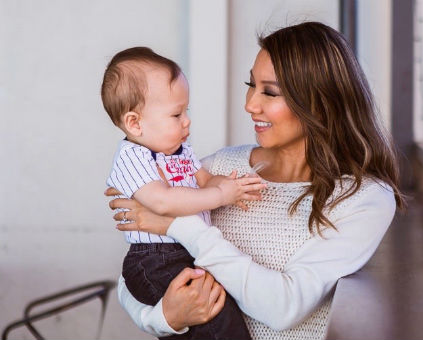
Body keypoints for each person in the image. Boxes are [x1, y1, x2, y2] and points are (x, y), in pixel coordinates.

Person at [107, 22, 405, 340]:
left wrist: (177, 224)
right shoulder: (219, 168)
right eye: (251, 84)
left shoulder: (364, 198)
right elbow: (136, 275)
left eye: (270, 92)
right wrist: (165, 318)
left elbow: (284, 307)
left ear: (318, 102)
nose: (250, 104)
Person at [101, 46, 265, 339]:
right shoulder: (133, 157)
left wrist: (231, 186)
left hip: (182, 254)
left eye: (186, 110)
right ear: (134, 123)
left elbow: (204, 179)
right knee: (216, 321)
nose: (186, 120)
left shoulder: (180, 151)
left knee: (214, 314)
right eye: (176, 114)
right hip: (154, 259)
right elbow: (163, 203)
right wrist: (221, 196)